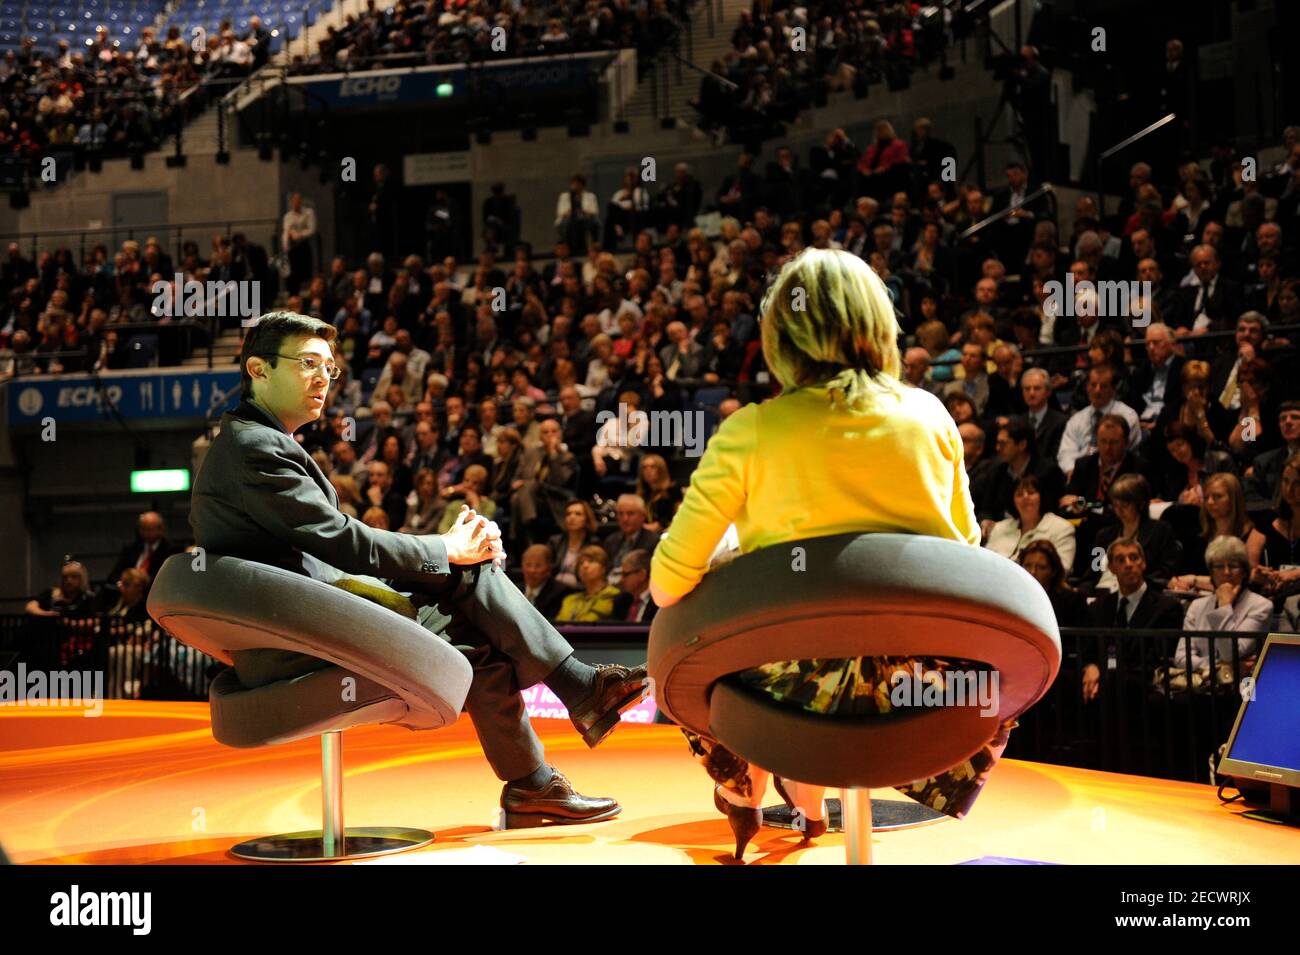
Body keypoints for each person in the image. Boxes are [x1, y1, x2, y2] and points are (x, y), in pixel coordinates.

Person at [190, 311, 650, 825]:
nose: (323, 378)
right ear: (257, 369)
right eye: (307, 364)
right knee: (466, 573)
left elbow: (332, 546)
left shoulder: (256, 441)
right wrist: (446, 550)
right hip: (299, 636)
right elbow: (340, 542)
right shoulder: (256, 450)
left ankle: (535, 779)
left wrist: (451, 549)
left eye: (330, 369)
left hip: (309, 614)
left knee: (472, 619)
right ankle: (577, 692)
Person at [649, 249, 1014, 859]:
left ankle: (754, 781)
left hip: (786, 699)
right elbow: (964, 559)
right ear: (878, 322)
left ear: (781, 336)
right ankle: (806, 796)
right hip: (922, 698)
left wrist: (737, 557)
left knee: (732, 620)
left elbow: (665, 587)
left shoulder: (750, 431)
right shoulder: (930, 417)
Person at [1175, 536, 1270, 678]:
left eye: (1233, 566)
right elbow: (1181, 658)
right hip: (1201, 685)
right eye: (1219, 566)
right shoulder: (1197, 606)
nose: (1226, 572)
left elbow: (1230, 653)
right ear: (1211, 573)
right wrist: (1219, 667)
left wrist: (1224, 604)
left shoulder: (1261, 606)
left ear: (1244, 571)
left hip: (1242, 686)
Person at [984, 474, 1076, 567]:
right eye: (1019, 494)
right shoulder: (999, 528)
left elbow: (1063, 568)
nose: (1025, 497)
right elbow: (985, 562)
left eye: (1031, 492)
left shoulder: (1062, 528)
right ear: (1013, 500)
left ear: (1041, 497)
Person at [1019, 540, 1089, 627]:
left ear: (1054, 571)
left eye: (1041, 567)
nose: (1032, 572)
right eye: (1027, 565)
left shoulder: (1073, 602)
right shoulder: (1011, 599)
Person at [555, 546, 620, 622]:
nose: (585, 566)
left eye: (591, 561)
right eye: (581, 563)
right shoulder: (569, 600)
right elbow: (558, 626)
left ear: (604, 568)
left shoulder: (612, 594)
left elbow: (590, 622)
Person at [612, 548, 657, 623]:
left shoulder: (658, 603)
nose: (621, 580)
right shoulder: (620, 601)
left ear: (642, 574)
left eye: (625, 574)